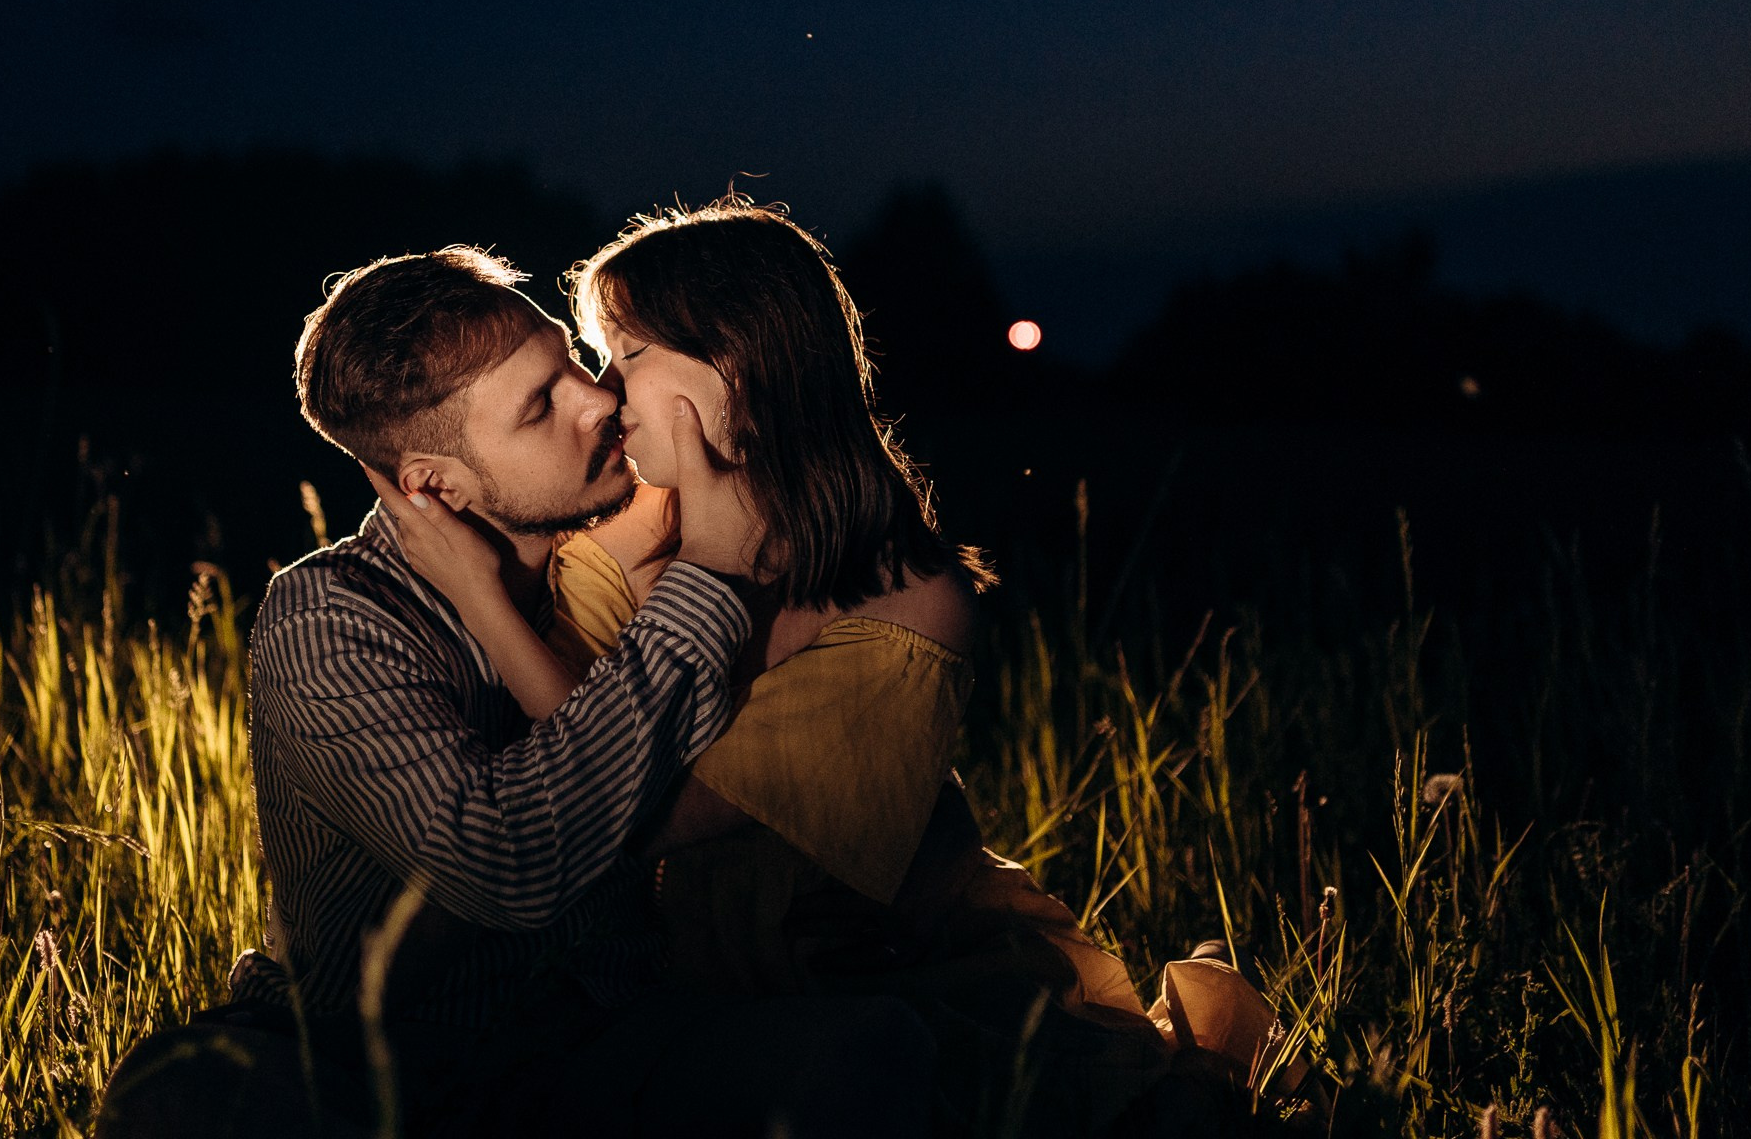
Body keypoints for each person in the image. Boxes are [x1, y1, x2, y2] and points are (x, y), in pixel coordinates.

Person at [371, 201, 1288, 1135]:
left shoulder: (911, 601)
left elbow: (649, 812)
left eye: (628, 354)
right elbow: (573, 752)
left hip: (868, 960)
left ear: (736, 359)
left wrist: (483, 599)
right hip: (665, 971)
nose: (604, 394)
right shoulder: (633, 523)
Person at [97, 246, 940, 1139]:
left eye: (569, 361)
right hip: (370, 1052)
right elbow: (506, 864)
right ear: (436, 482)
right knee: (185, 1097)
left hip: (600, 1043)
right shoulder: (331, 615)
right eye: (542, 406)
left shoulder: (632, 542)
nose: (599, 397)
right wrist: (708, 578)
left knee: (867, 1050)